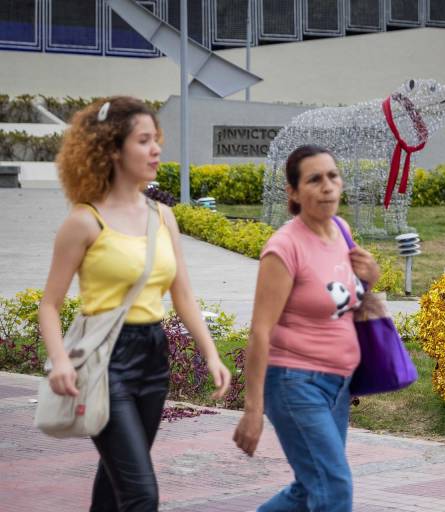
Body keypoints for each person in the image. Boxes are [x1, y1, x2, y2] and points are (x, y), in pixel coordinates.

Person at [38, 96, 231, 512]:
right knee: (142, 493)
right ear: (112, 149)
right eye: (144, 141)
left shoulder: (163, 217)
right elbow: (49, 305)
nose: (156, 149)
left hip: (153, 357)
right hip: (107, 360)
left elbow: (182, 296)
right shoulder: (84, 221)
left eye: (155, 139)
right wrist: (60, 360)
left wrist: (211, 354)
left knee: (116, 480)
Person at [233, 144, 380, 511]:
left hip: (338, 385)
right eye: (314, 179)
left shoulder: (341, 231)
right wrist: (253, 410)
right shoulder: (284, 249)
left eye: (333, 176)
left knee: (309, 487)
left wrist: (371, 277)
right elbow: (259, 332)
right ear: (294, 193)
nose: (328, 186)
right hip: (295, 383)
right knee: (334, 488)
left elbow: (344, 299)